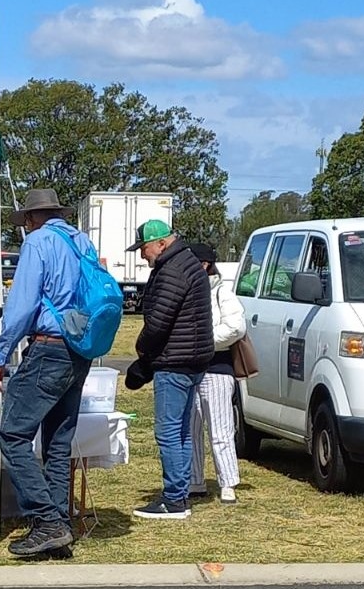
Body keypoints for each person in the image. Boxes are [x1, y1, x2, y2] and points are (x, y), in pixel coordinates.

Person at [0, 188, 94, 558]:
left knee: (13, 435)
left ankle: (47, 520)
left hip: (49, 346)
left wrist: (1, 354)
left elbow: (21, 305)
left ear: (32, 218)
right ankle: (60, 527)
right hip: (79, 348)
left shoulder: (37, 242)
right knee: (57, 444)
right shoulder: (82, 242)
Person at [130, 218, 213, 520]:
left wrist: (142, 355)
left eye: (144, 248)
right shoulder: (188, 262)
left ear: (162, 243)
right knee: (181, 431)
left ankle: (174, 499)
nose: (142, 254)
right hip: (193, 359)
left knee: (168, 432)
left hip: (175, 362)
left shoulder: (172, 270)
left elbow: (158, 324)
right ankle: (180, 492)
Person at [187, 243, 245, 505]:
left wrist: (202, 342)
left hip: (217, 368)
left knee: (220, 428)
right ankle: (194, 480)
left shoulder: (223, 291)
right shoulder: (188, 290)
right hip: (189, 367)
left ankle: (228, 482)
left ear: (204, 265)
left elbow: (236, 328)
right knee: (190, 428)